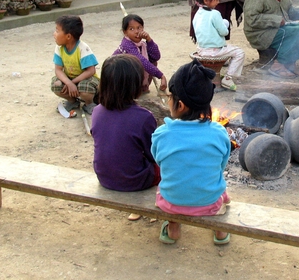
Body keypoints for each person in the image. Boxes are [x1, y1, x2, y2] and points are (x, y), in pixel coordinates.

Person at [151, 59, 231, 245]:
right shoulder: (219, 133)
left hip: (172, 202)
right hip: (210, 203)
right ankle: (220, 232)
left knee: (168, 185)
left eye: (171, 96)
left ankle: (173, 229)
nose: (168, 99)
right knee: (219, 186)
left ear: (180, 105)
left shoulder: (161, 134)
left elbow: (159, 161)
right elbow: (221, 165)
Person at [91, 54, 160, 194]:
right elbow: (154, 155)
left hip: (104, 177)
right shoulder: (144, 117)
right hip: (135, 180)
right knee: (172, 166)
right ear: (136, 84)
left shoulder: (97, 111)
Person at [193, 0, 246, 91]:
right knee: (239, 52)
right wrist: (225, 23)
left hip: (202, 50)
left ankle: (215, 77)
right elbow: (224, 32)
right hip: (215, 51)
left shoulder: (197, 14)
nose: (218, 2)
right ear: (206, 1)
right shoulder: (215, 14)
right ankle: (228, 77)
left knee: (228, 51)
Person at [51, 15, 99, 117]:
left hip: (87, 80)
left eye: (57, 31)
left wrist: (72, 83)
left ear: (68, 36)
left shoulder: (82, 48)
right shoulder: (59, 48)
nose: (54, 34)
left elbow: (91, 71)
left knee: (84, 87)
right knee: (56, 84)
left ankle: (89, 103)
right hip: (70, 79)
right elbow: (58, 70)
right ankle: (73, 101)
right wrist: (68, 83)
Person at [113, 14, 167, 93]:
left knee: (152, 62)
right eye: (131, 29)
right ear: (125, 32)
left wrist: (149, 40)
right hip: (120, 75)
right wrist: (161, 76)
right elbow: (141, 61)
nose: (136, 32)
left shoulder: (142, 44)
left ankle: (141, 88)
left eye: (139, 27)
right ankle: (131, 92)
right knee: (141, 65)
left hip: (132, 71)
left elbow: (156, 57)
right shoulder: (126, 44)